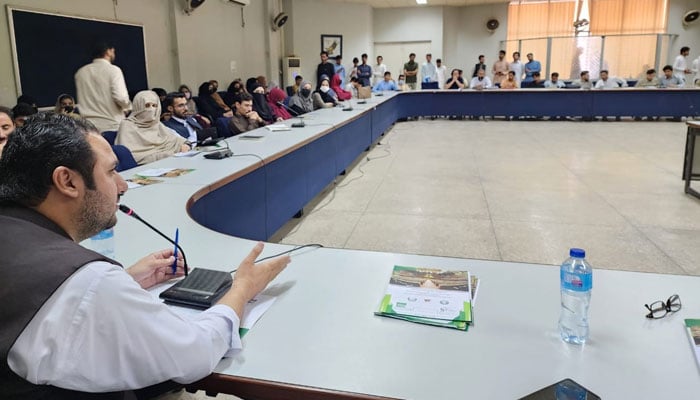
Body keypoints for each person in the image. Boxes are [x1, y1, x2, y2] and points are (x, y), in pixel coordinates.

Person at [0, 112, 289, 398]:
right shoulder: (85, 280)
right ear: (68, 181)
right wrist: (242, 289)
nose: (123, 186)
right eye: (112, 172)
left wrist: (126, 281)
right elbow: (194, 355)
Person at [116, 90, 191, 164]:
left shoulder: (156, 124)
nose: (151, 109)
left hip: (168, 164)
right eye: (147, 105)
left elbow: (176, 141)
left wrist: (186, 145)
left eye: (154, 106)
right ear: (138, 106)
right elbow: (130, 157)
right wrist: (163, 155)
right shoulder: (127, 125)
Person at [74, 42, 131, 132]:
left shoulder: (81, 72)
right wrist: (127, 107)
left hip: (89, 127)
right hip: (112, 125)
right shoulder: (113, 70)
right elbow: (121, 98)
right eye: (113, 51)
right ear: (108, 52)